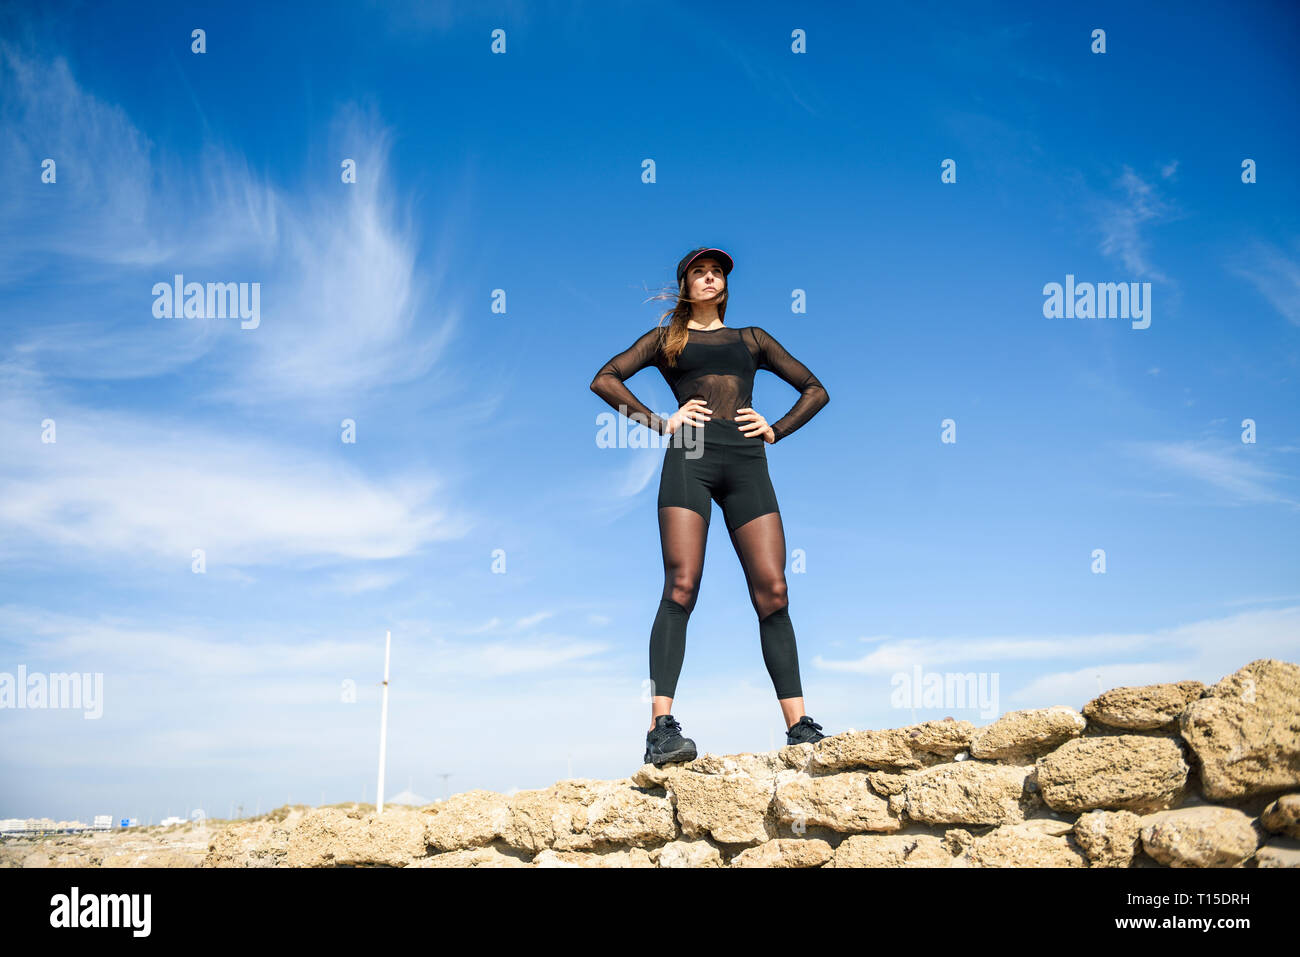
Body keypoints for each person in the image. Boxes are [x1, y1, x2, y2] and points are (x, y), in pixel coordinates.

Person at [589, 246, 832, 767]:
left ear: (725, 284)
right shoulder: (665, 340)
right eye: (699, 272)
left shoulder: (753, 339)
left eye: (716, 271)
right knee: (681, 585)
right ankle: (661, 730)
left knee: (773, 590)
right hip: (690, 456)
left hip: (747, 460)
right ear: (685, 284)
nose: (709, 277)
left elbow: (815, 390)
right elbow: (605, 378)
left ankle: (800, 727)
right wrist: (660, 421)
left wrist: (776, 428)